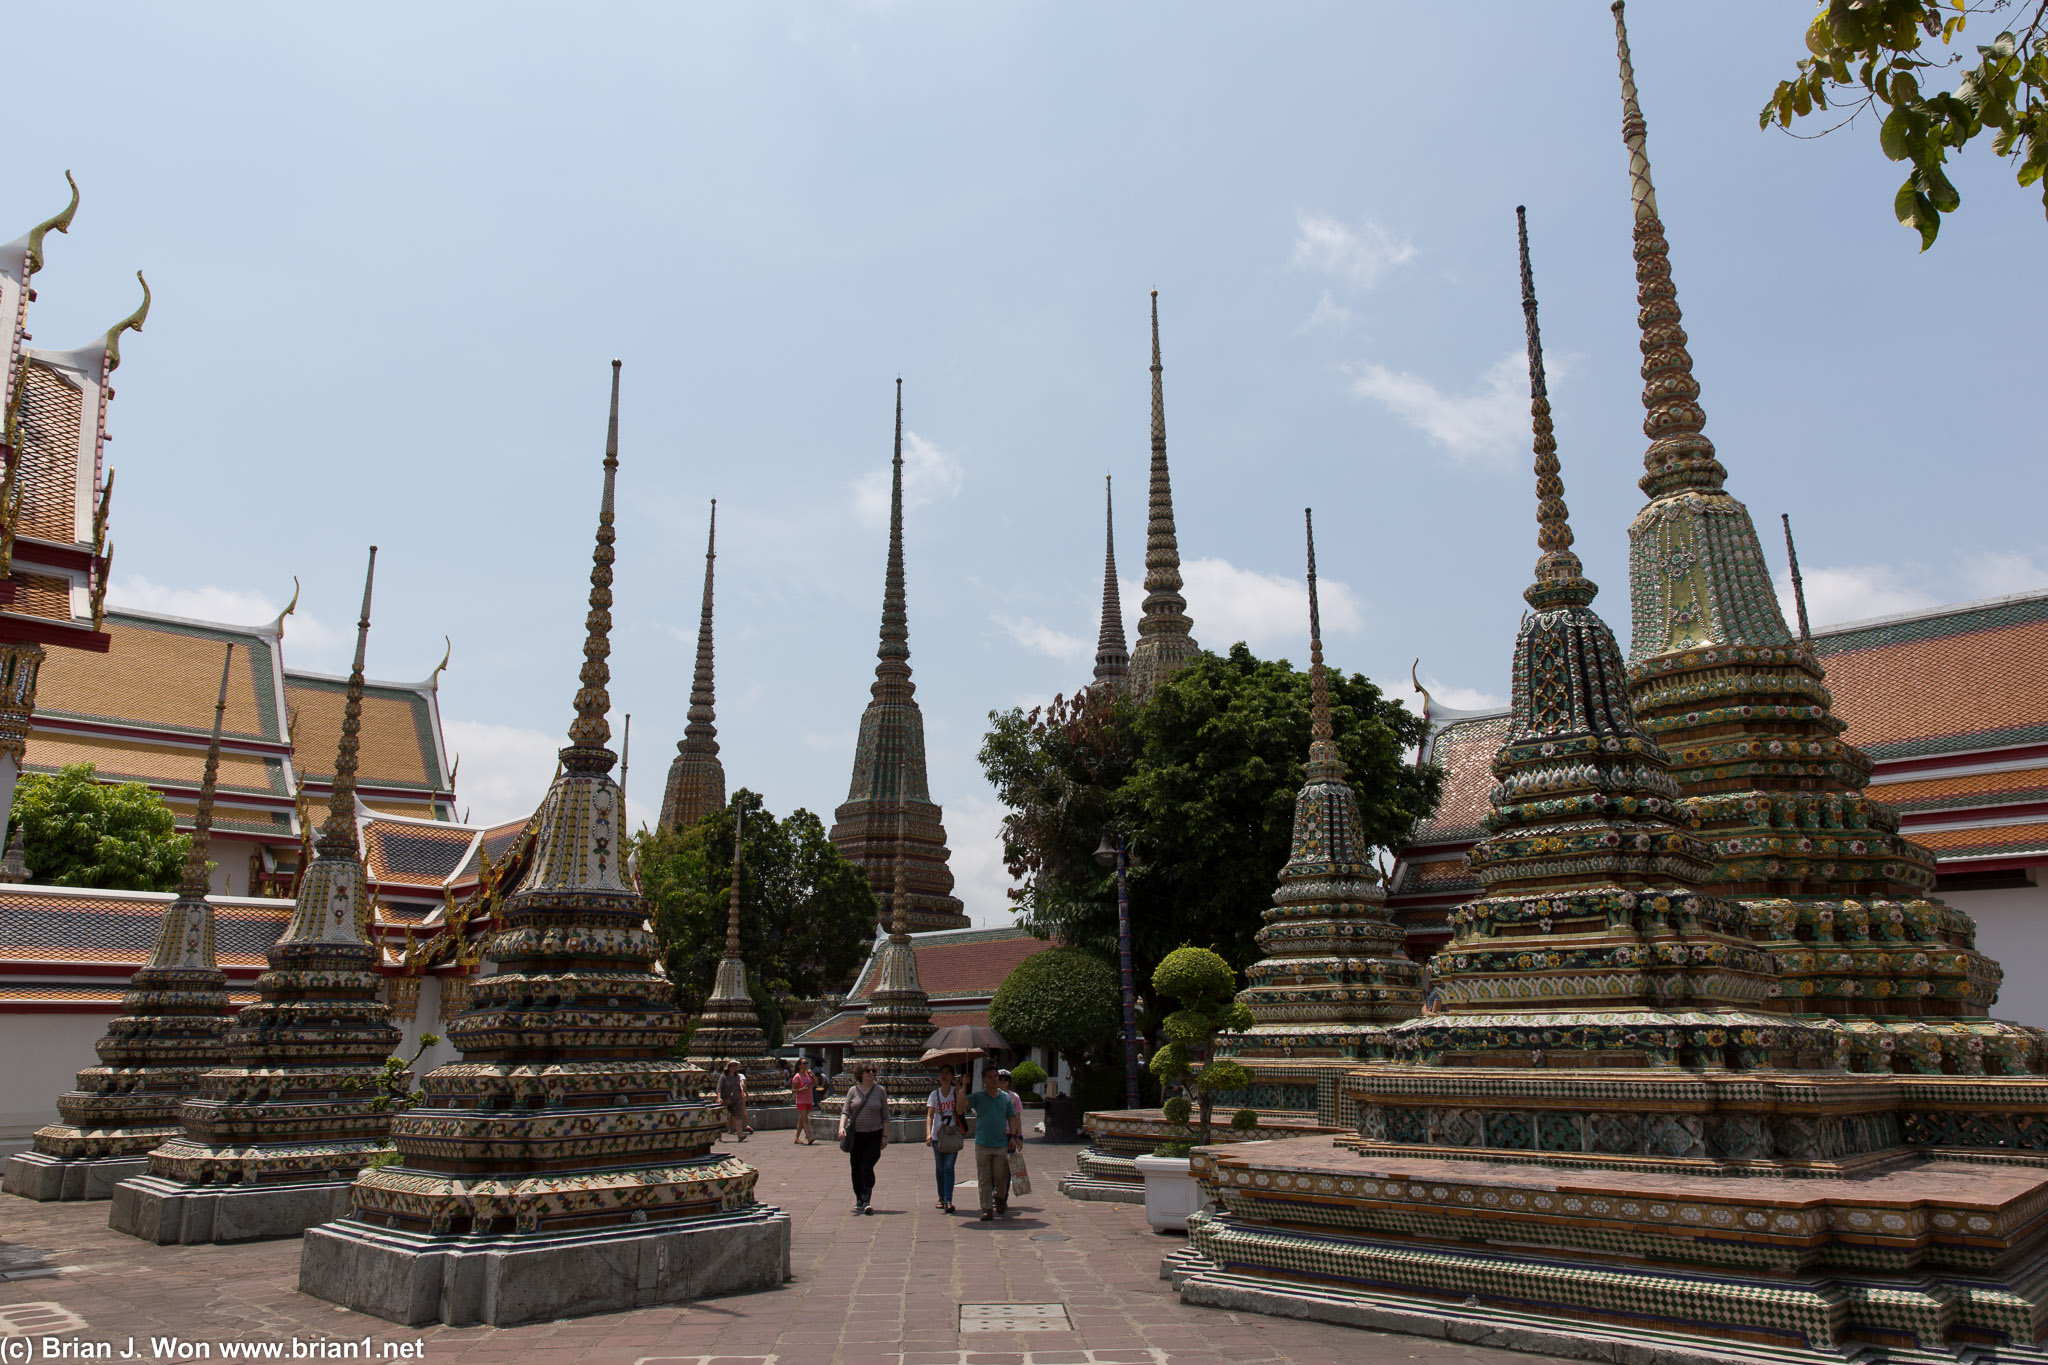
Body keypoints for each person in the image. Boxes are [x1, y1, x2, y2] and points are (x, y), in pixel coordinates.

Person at [965, 1063, 1022, 1221]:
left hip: (1000, 1144)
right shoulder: (978, 1097)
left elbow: (1012, 1116)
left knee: (1001, 1177)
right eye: (990, 1077)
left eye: (995, 1076)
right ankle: (986, 1208)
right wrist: (963, 1086)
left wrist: (1013, 1136)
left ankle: (1000, 1197)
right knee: (984, 1177)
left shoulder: (1005, 1098)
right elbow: (960, 1106)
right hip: (982, 1143)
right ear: (984, 1080)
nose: (993, 1079)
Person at [839, 1061, 889, 1214]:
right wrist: (841, 1127)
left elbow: (885, 1116)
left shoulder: (880, 1091)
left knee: (867, 1165)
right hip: (857, 1135)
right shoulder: (853, 1091)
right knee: (856, 1167)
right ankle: (859, 1197)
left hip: (874, 1134)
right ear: (861, 1073)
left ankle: (866, 1199)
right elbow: (845, 1111)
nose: (871, 1073)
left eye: (873, 1071)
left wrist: (885, 1136)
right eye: (868, 1071)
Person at [925, 1063, 968, 1213]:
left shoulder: (954, 1093)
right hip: (938, 1135)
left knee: (949, 1167)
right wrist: (928, 1134)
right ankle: (941, 1196)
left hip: (952, 1134)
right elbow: (930, 1115)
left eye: (948, 1073)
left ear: (951, 1076)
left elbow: (961, 1108)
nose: (944, 1076)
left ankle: (949, 1199)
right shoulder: (934, 1095)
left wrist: (961, 1088)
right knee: (940, 1168)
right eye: (942, 1073)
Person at [717, 1060, 751, 1141]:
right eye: (732, 1066)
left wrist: (741, 1098)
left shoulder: (737, 1077)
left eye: (735, 1066)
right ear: (728, 1067)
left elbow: (739, 1088)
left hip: (735, 1099)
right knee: (722, 1117)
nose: (733, 1067)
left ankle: (740, 1135)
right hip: (725, 1099)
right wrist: (719, 1097)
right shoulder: (723, 1076)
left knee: (738, 1116)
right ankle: (719, 1135)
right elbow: (719, 1088)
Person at [791, 1056, 819, 1146]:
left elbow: (817, 1083)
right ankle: (809, 1137)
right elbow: (793, 1090)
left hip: (808, 1099)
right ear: (799, 1065)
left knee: (801, 1119)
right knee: (805, 1119)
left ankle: (796, 1138)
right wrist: (802, 1089)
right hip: (801, 1100)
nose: (806, 1065)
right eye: (804, 1063)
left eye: (807, 1063)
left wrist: (812, 1074)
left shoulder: (808, 1075)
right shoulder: (797, 1076)